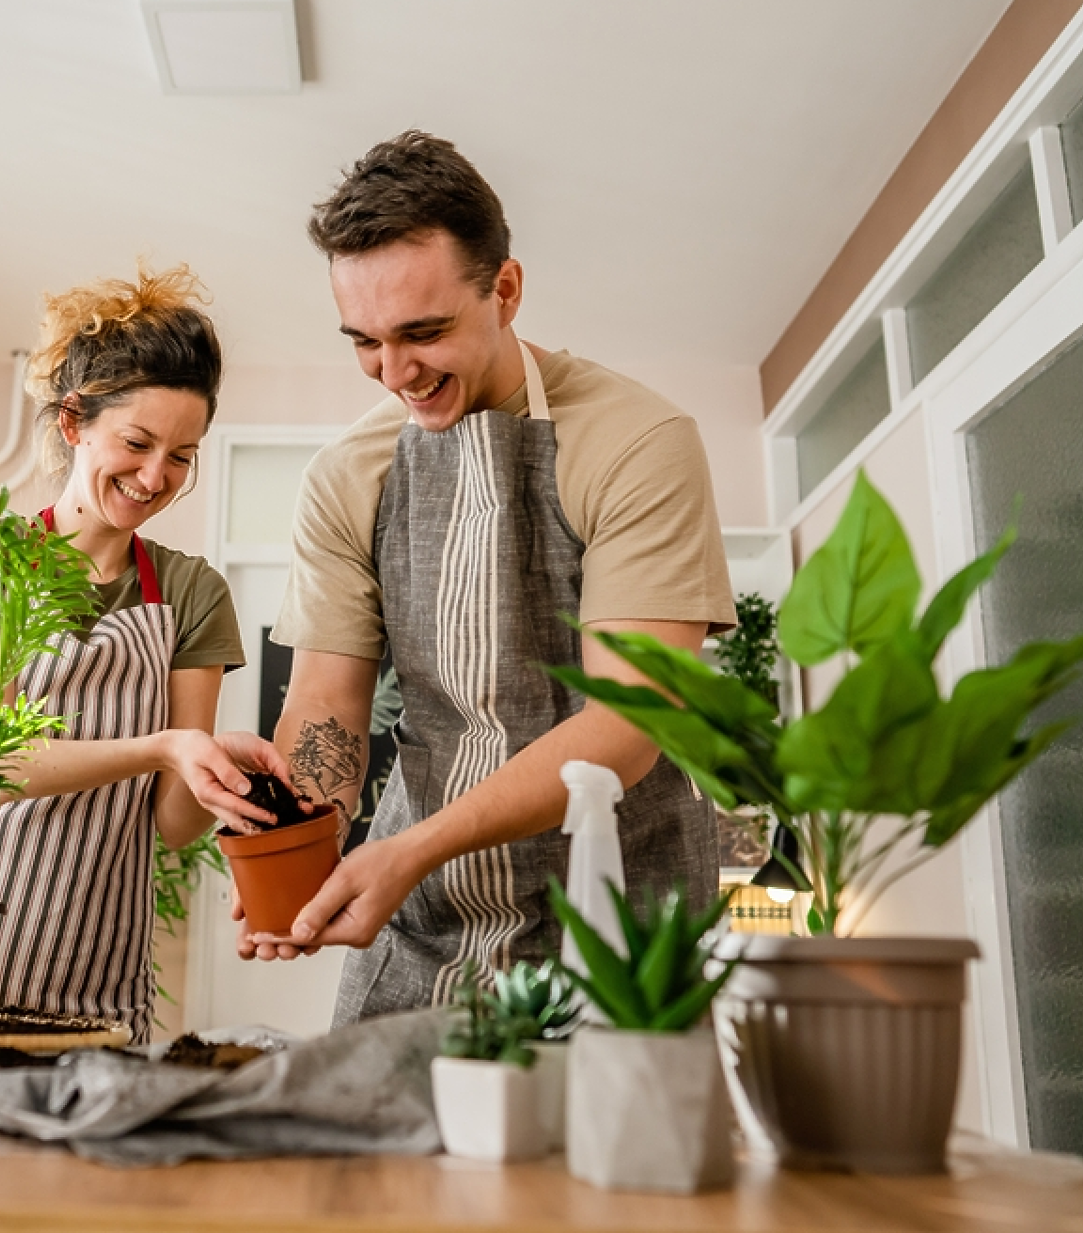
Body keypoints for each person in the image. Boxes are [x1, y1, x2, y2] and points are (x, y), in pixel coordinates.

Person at [244, 132, 736, 1026]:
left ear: (504, 290)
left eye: (424, 333)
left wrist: (413, 850)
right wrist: (299, 842)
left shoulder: (635, 442)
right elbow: (327, 700)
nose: (396, 374)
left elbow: (629, 722)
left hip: (624, 920)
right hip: (422, 922)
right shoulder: (347, 475)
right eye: (366, 342)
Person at [0, 266, 284, 1042]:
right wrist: (162, 746)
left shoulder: (191, 591)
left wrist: (205, 762)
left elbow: (175, 827)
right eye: (138, 443)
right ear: (75, 422)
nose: (156, 478)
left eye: (183, 455)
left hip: (95, 979)